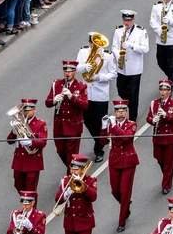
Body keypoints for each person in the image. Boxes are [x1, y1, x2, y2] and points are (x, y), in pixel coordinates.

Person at [76, 32, 118, 163]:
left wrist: (100, 77)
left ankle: (99, 150)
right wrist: (84, 67)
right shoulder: (83, 52)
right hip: (86, 93)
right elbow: (76, 68)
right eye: (91, 43)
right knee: (88, 121)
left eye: (95, 44)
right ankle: (100, 140)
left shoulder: (107, 55)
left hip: (101, 94)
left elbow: (113, 73)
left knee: (100, 123)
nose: (93, 46)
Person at [100, 100, 139, 232]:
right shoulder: (111, 124)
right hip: (114, 160)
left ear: (126, 112)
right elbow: (103, 141)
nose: (120, 113)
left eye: (123, 111)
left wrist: (114, 125)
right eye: (118, 110)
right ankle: (126, 204)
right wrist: (104, 126)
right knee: (115, 191)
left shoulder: (131, 124)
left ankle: (122, 221)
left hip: (128, 161)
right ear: (115, 112)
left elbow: (126, 138)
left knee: (124, 191)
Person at [44, 61, 89, 173]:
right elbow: (47, 102)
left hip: (73, 125)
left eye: (70, 71)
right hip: (59, 125)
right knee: (60, 151)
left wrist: (71, 96)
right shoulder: (57, 84)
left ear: (75, 72)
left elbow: (85, 105)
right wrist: (54, 100)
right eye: (65, 71)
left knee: (71, 154)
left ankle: (71, 178)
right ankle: (76, 170)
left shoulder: (80, 86)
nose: (67, 74)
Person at [111, 10, 149, 122]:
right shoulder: (118, 30)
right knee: (121, 90)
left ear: (133, 20)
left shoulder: (141, 31)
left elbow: (145, 48)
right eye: (125, 20)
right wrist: (118, 55)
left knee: (133, 93)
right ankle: (130, 104)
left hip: (135, 68)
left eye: (129, 20)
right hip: (121, 68)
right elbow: (114, 46)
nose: (126, 23)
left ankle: (133, 118)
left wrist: (131, 45)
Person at [6, 99, 48, 198]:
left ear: (35, 110)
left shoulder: (40, 124)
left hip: (33, 161)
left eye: (29, 110)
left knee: (30, 191)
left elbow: (43, 141)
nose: (27, 112)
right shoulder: (18, 123)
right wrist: (13, 131)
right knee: (18, 185)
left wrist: (30, 142)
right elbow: (9, 141)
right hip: (19, 162)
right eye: (24, 110)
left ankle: (31, 208)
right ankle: (27, 203)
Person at [146, 80, 173, 195]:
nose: (162, 92)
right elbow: (148, 118)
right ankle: (168, 175)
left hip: (170, 137)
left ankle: (166, 185)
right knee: (160, 159)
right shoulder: (154, 103)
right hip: (158, 137)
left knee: (168, 162)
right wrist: (153, 120)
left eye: (165, 90)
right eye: (161, 90)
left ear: (170, 92)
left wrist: (166, 115)